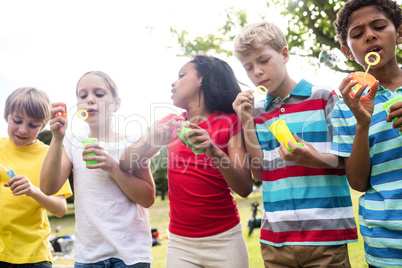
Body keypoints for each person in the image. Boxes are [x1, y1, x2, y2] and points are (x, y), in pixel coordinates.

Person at [232, 21, 358, 267]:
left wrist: (314, 158)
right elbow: (260, 172)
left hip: (326, 237)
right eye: (248, 67)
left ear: (285, 53)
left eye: (263, 60)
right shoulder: (255, 112)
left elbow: (350, 163)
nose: (256, 71)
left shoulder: (324, 97)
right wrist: (246, 121)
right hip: (276, 241)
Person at [120, 55, 253, 268]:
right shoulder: (170, 124)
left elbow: (245, 187)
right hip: (181, 244)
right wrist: (150, 138)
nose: (174, 82)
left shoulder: (230, 121)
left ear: (203, 79)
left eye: (182, 75)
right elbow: (126, 163)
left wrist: (215, 152)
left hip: (225, 239)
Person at [40, 71, 155, 268]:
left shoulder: (133, 142)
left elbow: (147, 199)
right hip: (89, 256)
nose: (90, 100)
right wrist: (57, 138)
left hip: (131, 253)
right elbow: (48, 188)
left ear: (116, 103)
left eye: (99, 94)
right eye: (83, 95)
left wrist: (114, 168)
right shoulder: (72, 141)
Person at [331, 0, 402, 267]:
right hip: (384, 244)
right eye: (357, 34)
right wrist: (362, 123)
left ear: (399, 33)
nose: (370, 35)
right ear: (347, 51)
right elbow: (359, 183)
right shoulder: (345, 108)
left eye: (379, 26)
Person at [0, 87, 72, 267]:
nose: (23, 130)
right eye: (17, 121)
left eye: (33, 125)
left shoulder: (50, 155)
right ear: (6, 116)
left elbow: (60, 209)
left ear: (44, 125)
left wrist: (33, 191)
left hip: (34, 256)